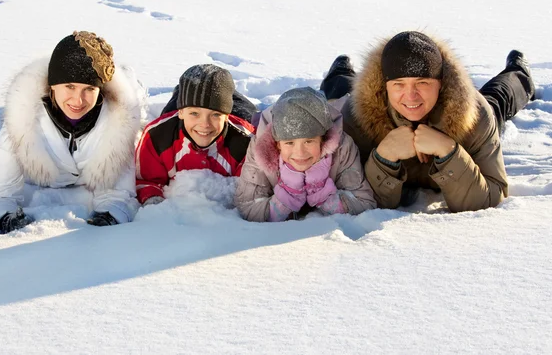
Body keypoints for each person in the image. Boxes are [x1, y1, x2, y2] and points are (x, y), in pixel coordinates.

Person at [327, 31, 535, 212]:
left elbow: (493, 195)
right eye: (399, 84)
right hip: (363, 104)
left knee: (496, 100)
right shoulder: (356, 117)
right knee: (341, 94)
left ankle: (519, 72)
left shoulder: (475, 115)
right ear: (384, 87)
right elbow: (354, 196)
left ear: (440, 84)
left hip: (466, 116)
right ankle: (340, 71)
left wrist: (449, 151)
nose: (411, 96)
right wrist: (384, 158)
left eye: (423, 83)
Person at [0, 31, 142, 233]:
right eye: (70, 86)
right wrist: (5, 217)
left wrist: (110, 214)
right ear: (53, 85)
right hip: (39, 174)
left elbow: (119, 194)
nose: (78, 100)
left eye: (89, 89)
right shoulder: (21, 124)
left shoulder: (119, 124)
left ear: (101, 90)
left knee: (135, 96)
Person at [235, 87, 376, 222]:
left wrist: (322, 194)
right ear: (277, 144)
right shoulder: (261, 148)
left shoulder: (342, 146)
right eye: (289, 143)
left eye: (309, 141)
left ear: (323, 140)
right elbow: (248, 207)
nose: (300, 153)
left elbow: (364, 204)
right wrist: (286, 197)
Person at [135, 64, 255, 206]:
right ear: (181, 112)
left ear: (227, 116)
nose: (205, 124)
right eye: (194, 113)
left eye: (215, 114)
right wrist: (155, 203)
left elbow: (250, 190)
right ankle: (181, 93)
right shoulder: (158, 137)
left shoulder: (245, 142)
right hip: (177, 117)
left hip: (239, 113)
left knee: (249, 113)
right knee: (182, 100)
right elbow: (146, 180)